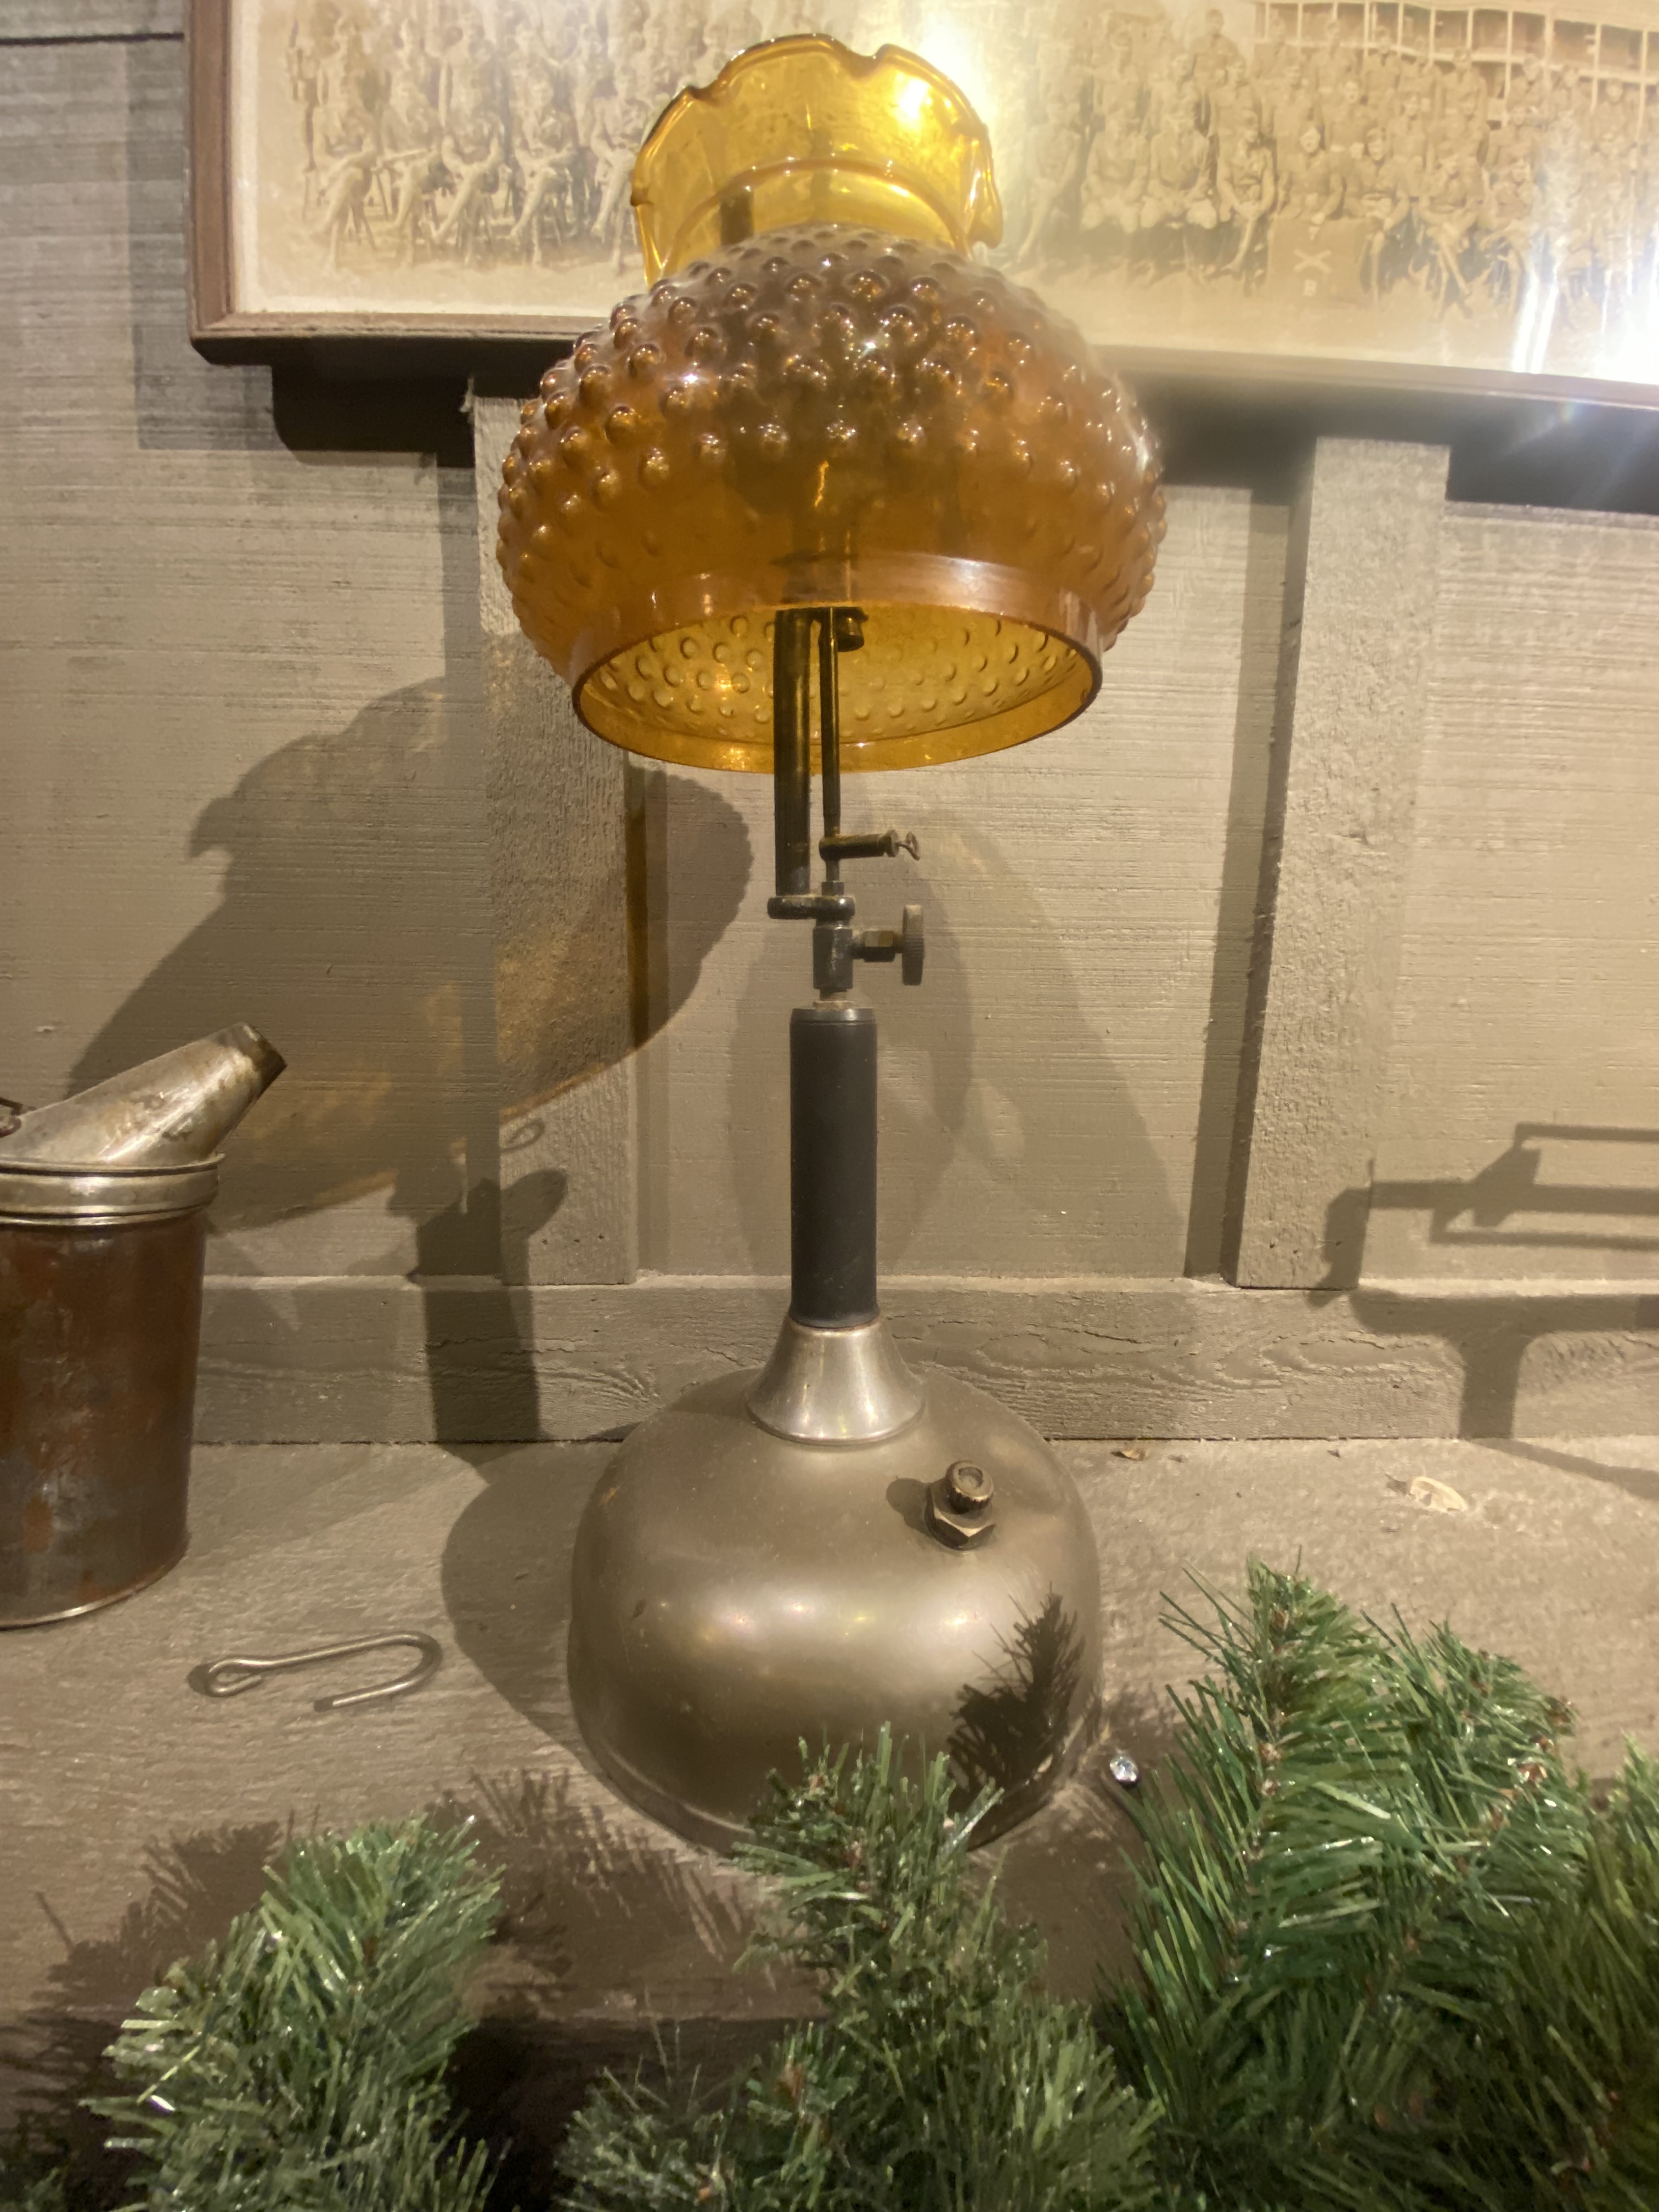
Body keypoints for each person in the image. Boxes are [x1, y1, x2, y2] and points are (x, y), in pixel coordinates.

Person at [1344, 124, 1412, 298]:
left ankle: (1372, 286)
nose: (1375, 150)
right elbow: (1350, 197)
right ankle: (1367, 285)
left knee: (1378, 237)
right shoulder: (1360, 167)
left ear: (1386, 146)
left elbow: (1403, 201)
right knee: (1374, 237)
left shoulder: (1397, 168)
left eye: (1379, 145)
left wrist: (1393, 219)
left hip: (1385, 214)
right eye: (1372, 147)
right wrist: (1363, 212)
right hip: (1365, 215)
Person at [1216, 109, 1276, 274]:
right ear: (1240, 130)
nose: (1253, 133)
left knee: (1252, 217)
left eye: (1255, 130)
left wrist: (1262, 207)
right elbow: (1223, 182)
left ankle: (1240, 261)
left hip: (1255, 203)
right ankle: (1244, 262)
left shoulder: (1264, 154)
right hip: (1234, 201)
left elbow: (1269, 186)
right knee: (1245, 219)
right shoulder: (1228, 152)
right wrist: (1238, 205)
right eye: (1249, 129)